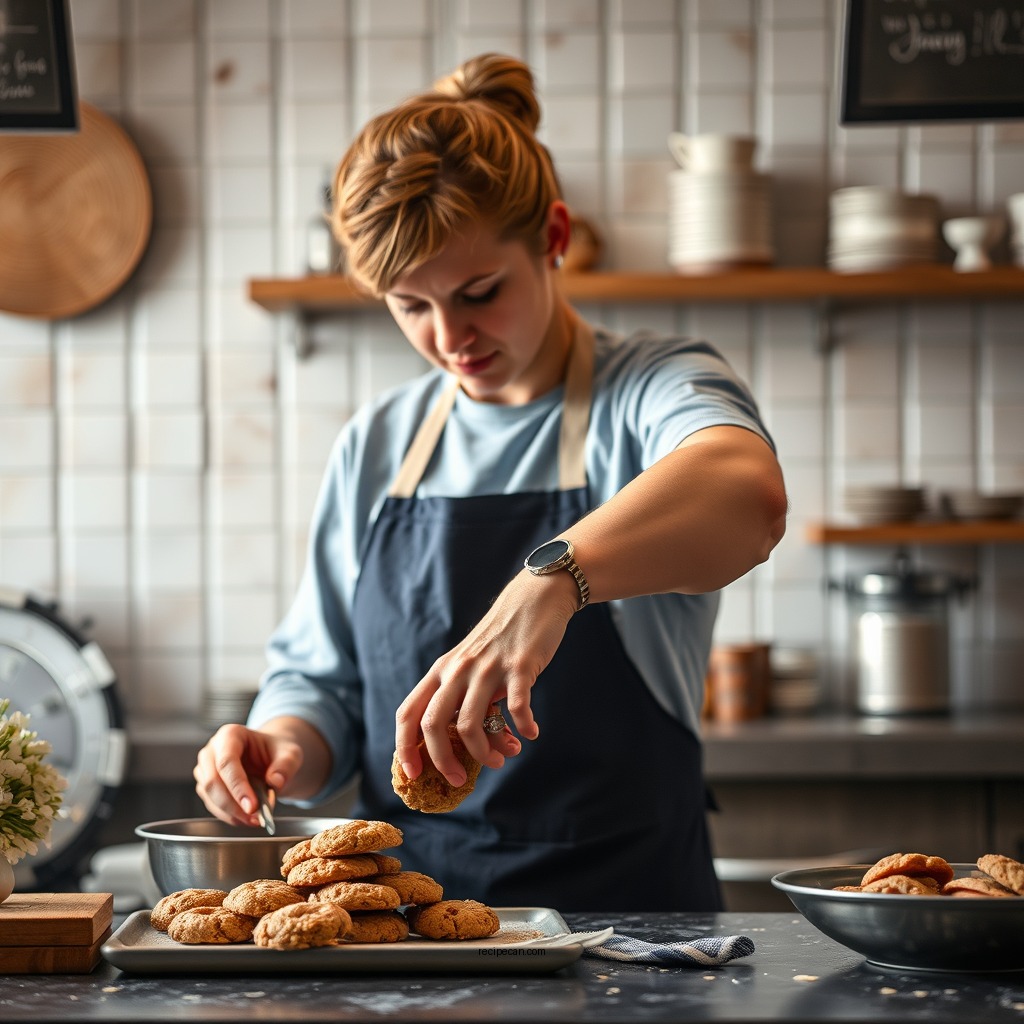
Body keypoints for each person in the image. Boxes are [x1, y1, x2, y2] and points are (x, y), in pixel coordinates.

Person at [194, 53, 787, 913]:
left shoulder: (651, 388)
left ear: (551, 237)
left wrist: (550, 582)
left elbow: (748, 495)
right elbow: (320, 685)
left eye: (479, 291)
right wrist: (281, 744)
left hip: (633, 934)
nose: (451, 337)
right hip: (403, 931)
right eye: (411, 305)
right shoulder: (380, 443)